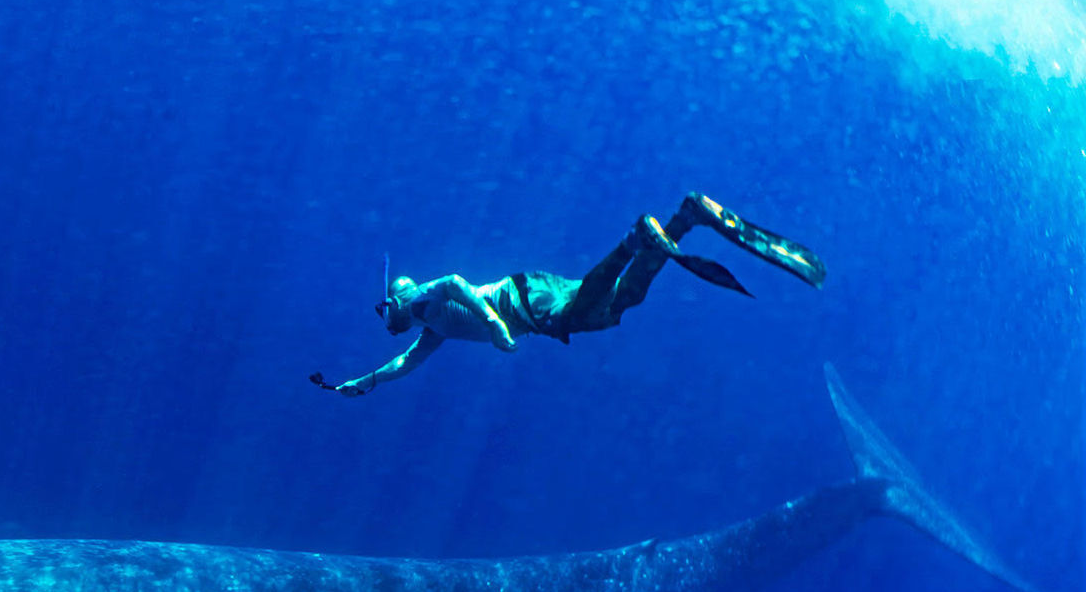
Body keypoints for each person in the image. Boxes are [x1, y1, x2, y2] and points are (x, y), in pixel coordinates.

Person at [311, 194, 825, 397]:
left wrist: (493, 324)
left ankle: (633, 240)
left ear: (396, 300)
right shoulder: (431, 332)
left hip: (526, 303)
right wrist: (359, 384)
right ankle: (683, 220)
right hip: (532, 295)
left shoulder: (423, 300)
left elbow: (452, 282)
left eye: (385, 310)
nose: (387, 321)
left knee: (584, 315)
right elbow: (403, 365)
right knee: (619, 307)